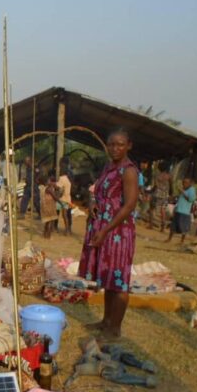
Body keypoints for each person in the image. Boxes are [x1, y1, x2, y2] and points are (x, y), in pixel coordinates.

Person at [79, 128, 139, 339]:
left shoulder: (129, 171)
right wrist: (93, 203)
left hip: (118, 232)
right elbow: (97, 191)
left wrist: (105, 230)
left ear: (128, 145)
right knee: (108, 278)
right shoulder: (108, 167)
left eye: (120, 144)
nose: (115, 148)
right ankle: (106, 321)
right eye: (111, 144)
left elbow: (129, 206)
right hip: (104, 226)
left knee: (119, 280)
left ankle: (115, 328)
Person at [167, 177, 196, 244]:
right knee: (173, 226)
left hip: (185, 212)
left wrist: (182, 191)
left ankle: (182, 241)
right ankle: (169, 239)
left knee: (183, 227)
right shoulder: (185, 190)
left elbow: (190, 199)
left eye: (186, 182)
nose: (184, 184)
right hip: (178, 210)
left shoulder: (192, 190)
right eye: (184, 182)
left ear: (190, 183)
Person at [151, 161, 171, 232]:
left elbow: (155, 185)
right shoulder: (169, 176)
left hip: (157, 194)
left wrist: (151, 191)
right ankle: (162, 227)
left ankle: (151, 224)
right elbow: (170, 185)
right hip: (165, 195)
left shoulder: (157, 175)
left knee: (152, 208)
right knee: (163, 211)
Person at [56, 159, 73, 235]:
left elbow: (58, 187)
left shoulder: (62, 178)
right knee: (65, 215)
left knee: (62, 214)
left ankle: (65, 229)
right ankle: (68, 229)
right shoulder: (67, 178)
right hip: (67, 198)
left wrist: (52, 184)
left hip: (62, 199)